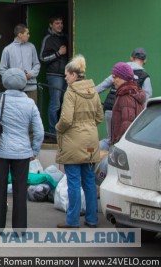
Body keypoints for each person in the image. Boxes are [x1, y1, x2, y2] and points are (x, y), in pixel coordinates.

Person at [0, 68, 44, 233]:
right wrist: (34, 150)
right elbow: (39, 131)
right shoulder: (30, 103)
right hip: (22, 152)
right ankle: (20, 229)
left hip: (0, 151)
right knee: (20, 190)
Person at [55, 55, 103, 229]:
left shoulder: (71, 92)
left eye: (67, 75)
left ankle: (72, 220)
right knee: (89, 182)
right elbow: (100, 117)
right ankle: (92, 219)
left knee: (74, 182)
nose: (65, 78)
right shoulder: (93, 90)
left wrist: (58, 128)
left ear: (74, 76)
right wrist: (88, 126)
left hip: (74, 142)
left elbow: (66, 120)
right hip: (91, 141)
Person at [96, 48, 151, 149]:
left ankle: (92, 153)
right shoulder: (144, 76)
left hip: (109, 107)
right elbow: (147, 96)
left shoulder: (119, 70)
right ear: (145, 60)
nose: (115, 80)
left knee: (110, 140)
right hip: (130, 110)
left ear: (131, 58)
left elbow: (101, 87)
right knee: (120, 141)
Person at [39, 16, 68, 134]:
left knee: (66, 102)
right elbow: (42, 58)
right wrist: (58, 53)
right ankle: (53, 133)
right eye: (57, 23)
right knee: (55, 104)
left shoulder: (65, 37)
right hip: (54, 75)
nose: (60, 25)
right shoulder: (48, 38)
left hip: (67, 75)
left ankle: (63, 131)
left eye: (61, 23)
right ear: (51, 25)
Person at [0, 24, 41, 103]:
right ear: (20, 35)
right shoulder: (7, 49)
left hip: (31, 88)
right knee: (16, 114)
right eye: (27, 33)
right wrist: (14, 79)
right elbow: (2, 69)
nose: (29, 35)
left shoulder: (31, 47)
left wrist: (31, 74)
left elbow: (37, 64)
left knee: (31, 113)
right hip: (15, 90)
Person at [109, 62, 146, 146]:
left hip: (123, 144)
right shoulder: (134, 91)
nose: (113, 81)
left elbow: (127, 122)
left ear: (123, 77)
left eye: (115, 77)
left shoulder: (126, 95)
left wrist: (119, 143)